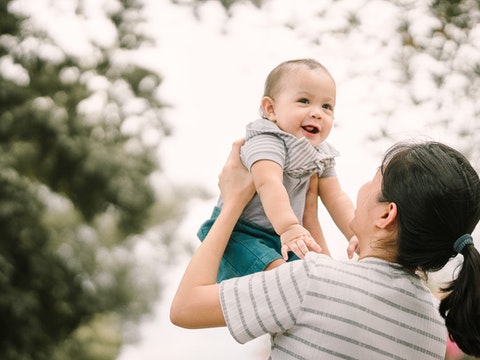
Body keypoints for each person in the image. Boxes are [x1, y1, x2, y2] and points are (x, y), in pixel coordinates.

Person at [171, 139, 480, 359]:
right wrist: (310, 218)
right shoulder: (433, 327)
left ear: (387, 214)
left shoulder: (312, 281)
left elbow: (185, 308)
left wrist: (233, 201)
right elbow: (335, 319)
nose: (360, 189)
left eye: (374, 181)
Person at [197, 58, 355, 282]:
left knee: (316, 276)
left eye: (326, 106)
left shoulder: (322, 152)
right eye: (304, 101)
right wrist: (290, 226)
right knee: (284, 277)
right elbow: (268, 183)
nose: (317, 112)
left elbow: (336, 196)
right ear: (270, 109)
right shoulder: (266, 139)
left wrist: (356, 233)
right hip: (242, 233)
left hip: (286, 236)